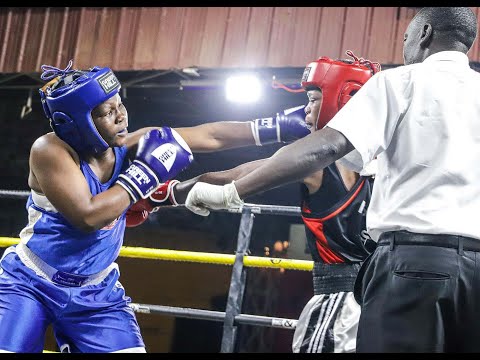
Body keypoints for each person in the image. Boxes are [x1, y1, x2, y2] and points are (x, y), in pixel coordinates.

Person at [184, 7, 480, 353]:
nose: (405, 48)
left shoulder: (400, 83)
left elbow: (324, 147)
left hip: (414, 266)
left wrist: (233, 192)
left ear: (425, 33)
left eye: (406, 38)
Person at [0, 60, 309, 353]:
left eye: (120, 103)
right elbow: (88, 215)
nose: (121, 116)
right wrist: (146, 175)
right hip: (31, 283)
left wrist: (277, 126)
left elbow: (210, 136)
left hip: (96, 292)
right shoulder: (49, 151)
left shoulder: (133, 146)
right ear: (78, 123)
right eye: (108, 111)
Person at [131, 51, 380, 353]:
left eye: (314, 100)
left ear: (340, 99)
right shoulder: (393, 149)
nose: (306, 111)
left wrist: (164, 193)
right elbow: (217, 138)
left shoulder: (315, 159)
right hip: (391, 299)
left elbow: (231, 177)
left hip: (340, 304)